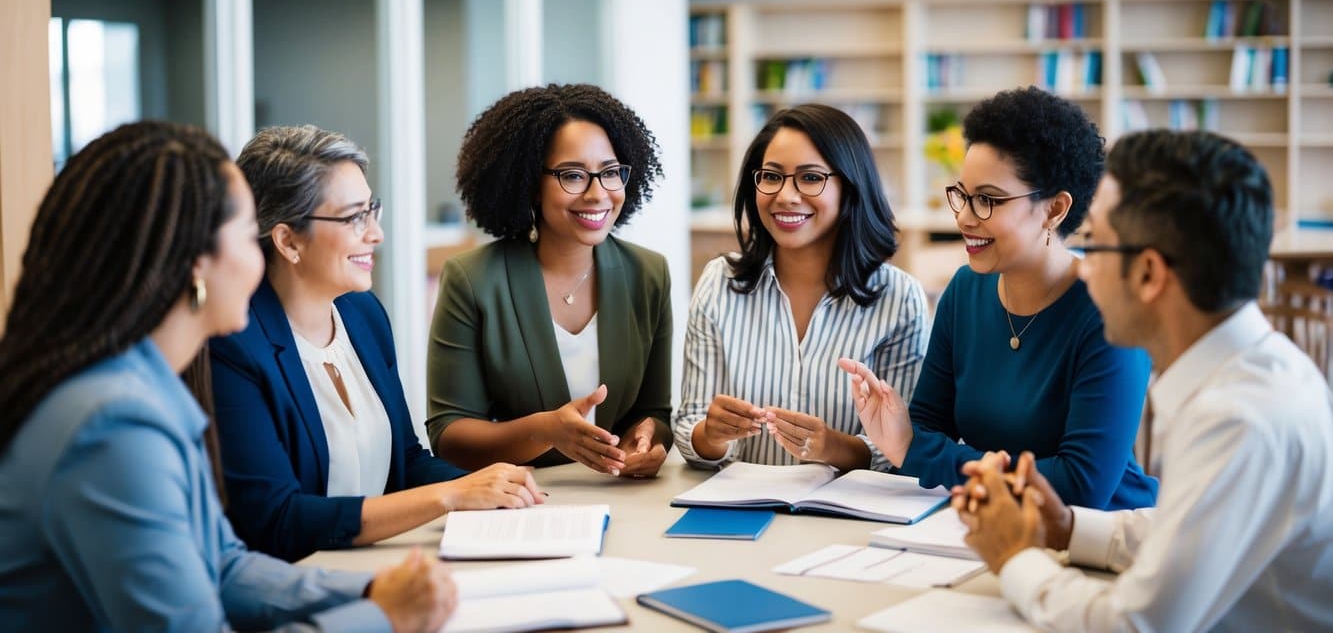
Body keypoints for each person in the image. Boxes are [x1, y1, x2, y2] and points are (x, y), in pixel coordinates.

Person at [0, 121, 454, 632]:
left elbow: (224, 567)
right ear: (196, 265)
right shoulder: (112, 427)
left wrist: (373, 591)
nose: (259, 260)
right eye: (247, 235)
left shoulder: (145, 389)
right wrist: (380, 618)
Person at [954, 129, 1333, 632]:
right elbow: (1194, 528)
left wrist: (1015, 557)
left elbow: (1134, 625)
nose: (1085, 272)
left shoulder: (1237, 417)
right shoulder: (1261, 369)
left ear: (1150, 274)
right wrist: (1066, 526)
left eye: (1097, 247)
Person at [208, 125, 542, 562]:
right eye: (353, 218)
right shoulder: (234, 346)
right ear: (288, 241)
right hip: (298, 590)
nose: (376, 235)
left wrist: (495, 486)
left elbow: (405, 461)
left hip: (386, 564)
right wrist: (448, 496)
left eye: (372, 211)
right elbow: (276, 519)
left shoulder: (362, 315)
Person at [846, 86, 1157, 509]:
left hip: (1099, 541)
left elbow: (1080, 485)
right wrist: (906, 442)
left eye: (988, 200)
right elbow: (925, 430)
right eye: (964, 196)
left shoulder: (1108, 309)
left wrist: (924, 453)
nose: (965, 218)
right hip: (989, 525)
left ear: (1054, 209)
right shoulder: (965, 291)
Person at [427, 84, 672, 477]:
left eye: (610, 173)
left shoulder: (648, 274)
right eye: (573, 175)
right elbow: (449, 435)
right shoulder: (472, 280)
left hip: (621, 500)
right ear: (528, 183)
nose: (598, 194)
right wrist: (545, 431)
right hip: (517, 501)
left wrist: (648, 437)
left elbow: (654, 411)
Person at [673, 103, 928, 471]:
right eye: (772, 176)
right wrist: (711, 436)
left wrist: (833, 447)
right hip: (739, 512)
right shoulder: (719, 283)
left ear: (850, 185)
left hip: (842, 517)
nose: (786, 196)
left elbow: (905, 446)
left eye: (810, 178)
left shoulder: (899, 299)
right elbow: (689, 426)